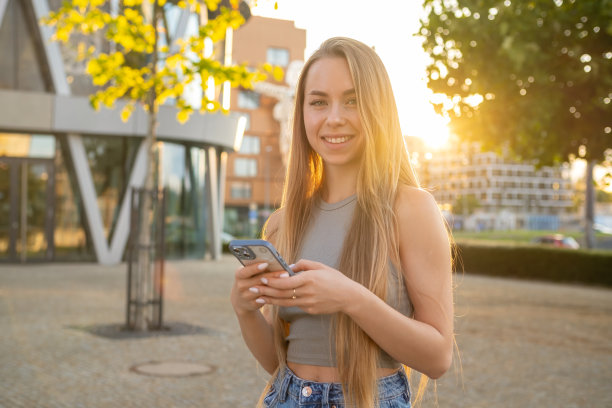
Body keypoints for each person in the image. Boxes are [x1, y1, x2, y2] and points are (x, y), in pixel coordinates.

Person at [230, 37, 454, 408]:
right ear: (302, 112)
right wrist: (245, 310)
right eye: (318, 102)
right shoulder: (283, 223)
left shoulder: (412, 208)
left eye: (352, 100)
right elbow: (276, 361)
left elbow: (438, 358)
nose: (334, 117)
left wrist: (351, 298)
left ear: (378, 109)